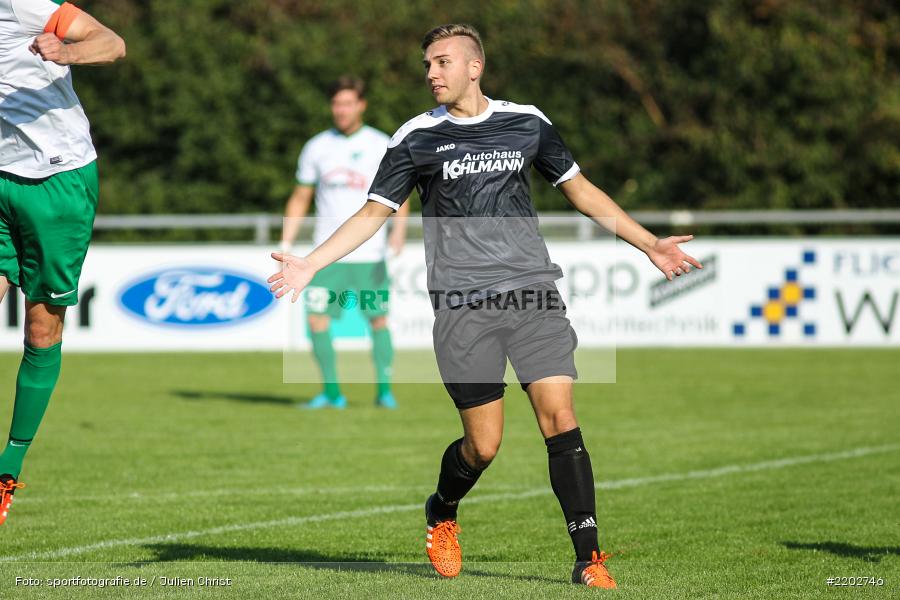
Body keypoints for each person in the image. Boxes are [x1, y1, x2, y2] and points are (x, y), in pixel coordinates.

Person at [268, 24, 701, 587]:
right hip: (461, 307)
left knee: (560, 417)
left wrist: (649, 243)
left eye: (442, 62)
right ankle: (443, 509)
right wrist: (312, 262)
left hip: (532, 293)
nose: (431, 73)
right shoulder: (415, 137)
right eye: (428, 63)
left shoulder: (527, 122)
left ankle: (588, 558)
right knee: (484, 444)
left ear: (475, 67)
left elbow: (579, 188)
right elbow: (374, 212)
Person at [0, 0, 125, 524]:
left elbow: (112, 43)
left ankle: (7, 470)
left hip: (59, 182)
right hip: (1, 179)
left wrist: (66, 49)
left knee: (41, 328)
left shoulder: (22, 3)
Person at [280, 76, 409, 409]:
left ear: (361, 105)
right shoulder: (316, 147)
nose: (341, 110)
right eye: (337, 103)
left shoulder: (381, 143)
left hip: (370, 254)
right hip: (326, 256)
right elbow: (300, 196)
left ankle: (384, 391)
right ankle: (332, 393)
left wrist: (397, 232)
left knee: (377, 319)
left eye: (348, 103)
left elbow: (400, 194)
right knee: (317, 321)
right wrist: (287, 240)